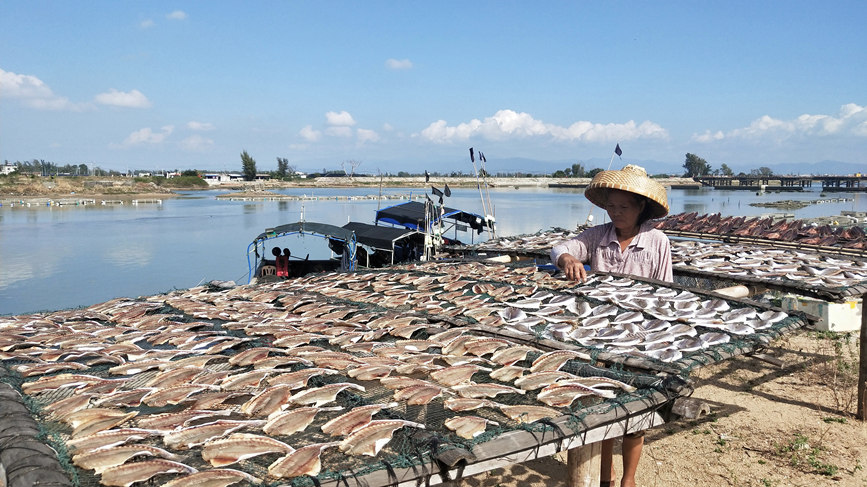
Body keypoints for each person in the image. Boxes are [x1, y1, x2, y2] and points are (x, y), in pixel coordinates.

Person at [549, 164, 672, 487]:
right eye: (612, 207)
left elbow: (667, 294)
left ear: (641, 206)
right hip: (600, 335)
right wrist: (568, 260)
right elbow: (560, 248)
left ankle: (627, 479)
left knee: (637, 413)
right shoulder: (596, 237)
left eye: (624, 207)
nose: (617, 213)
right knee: (604, 407)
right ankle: (606, 477)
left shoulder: (657, 242)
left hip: (640, 336)